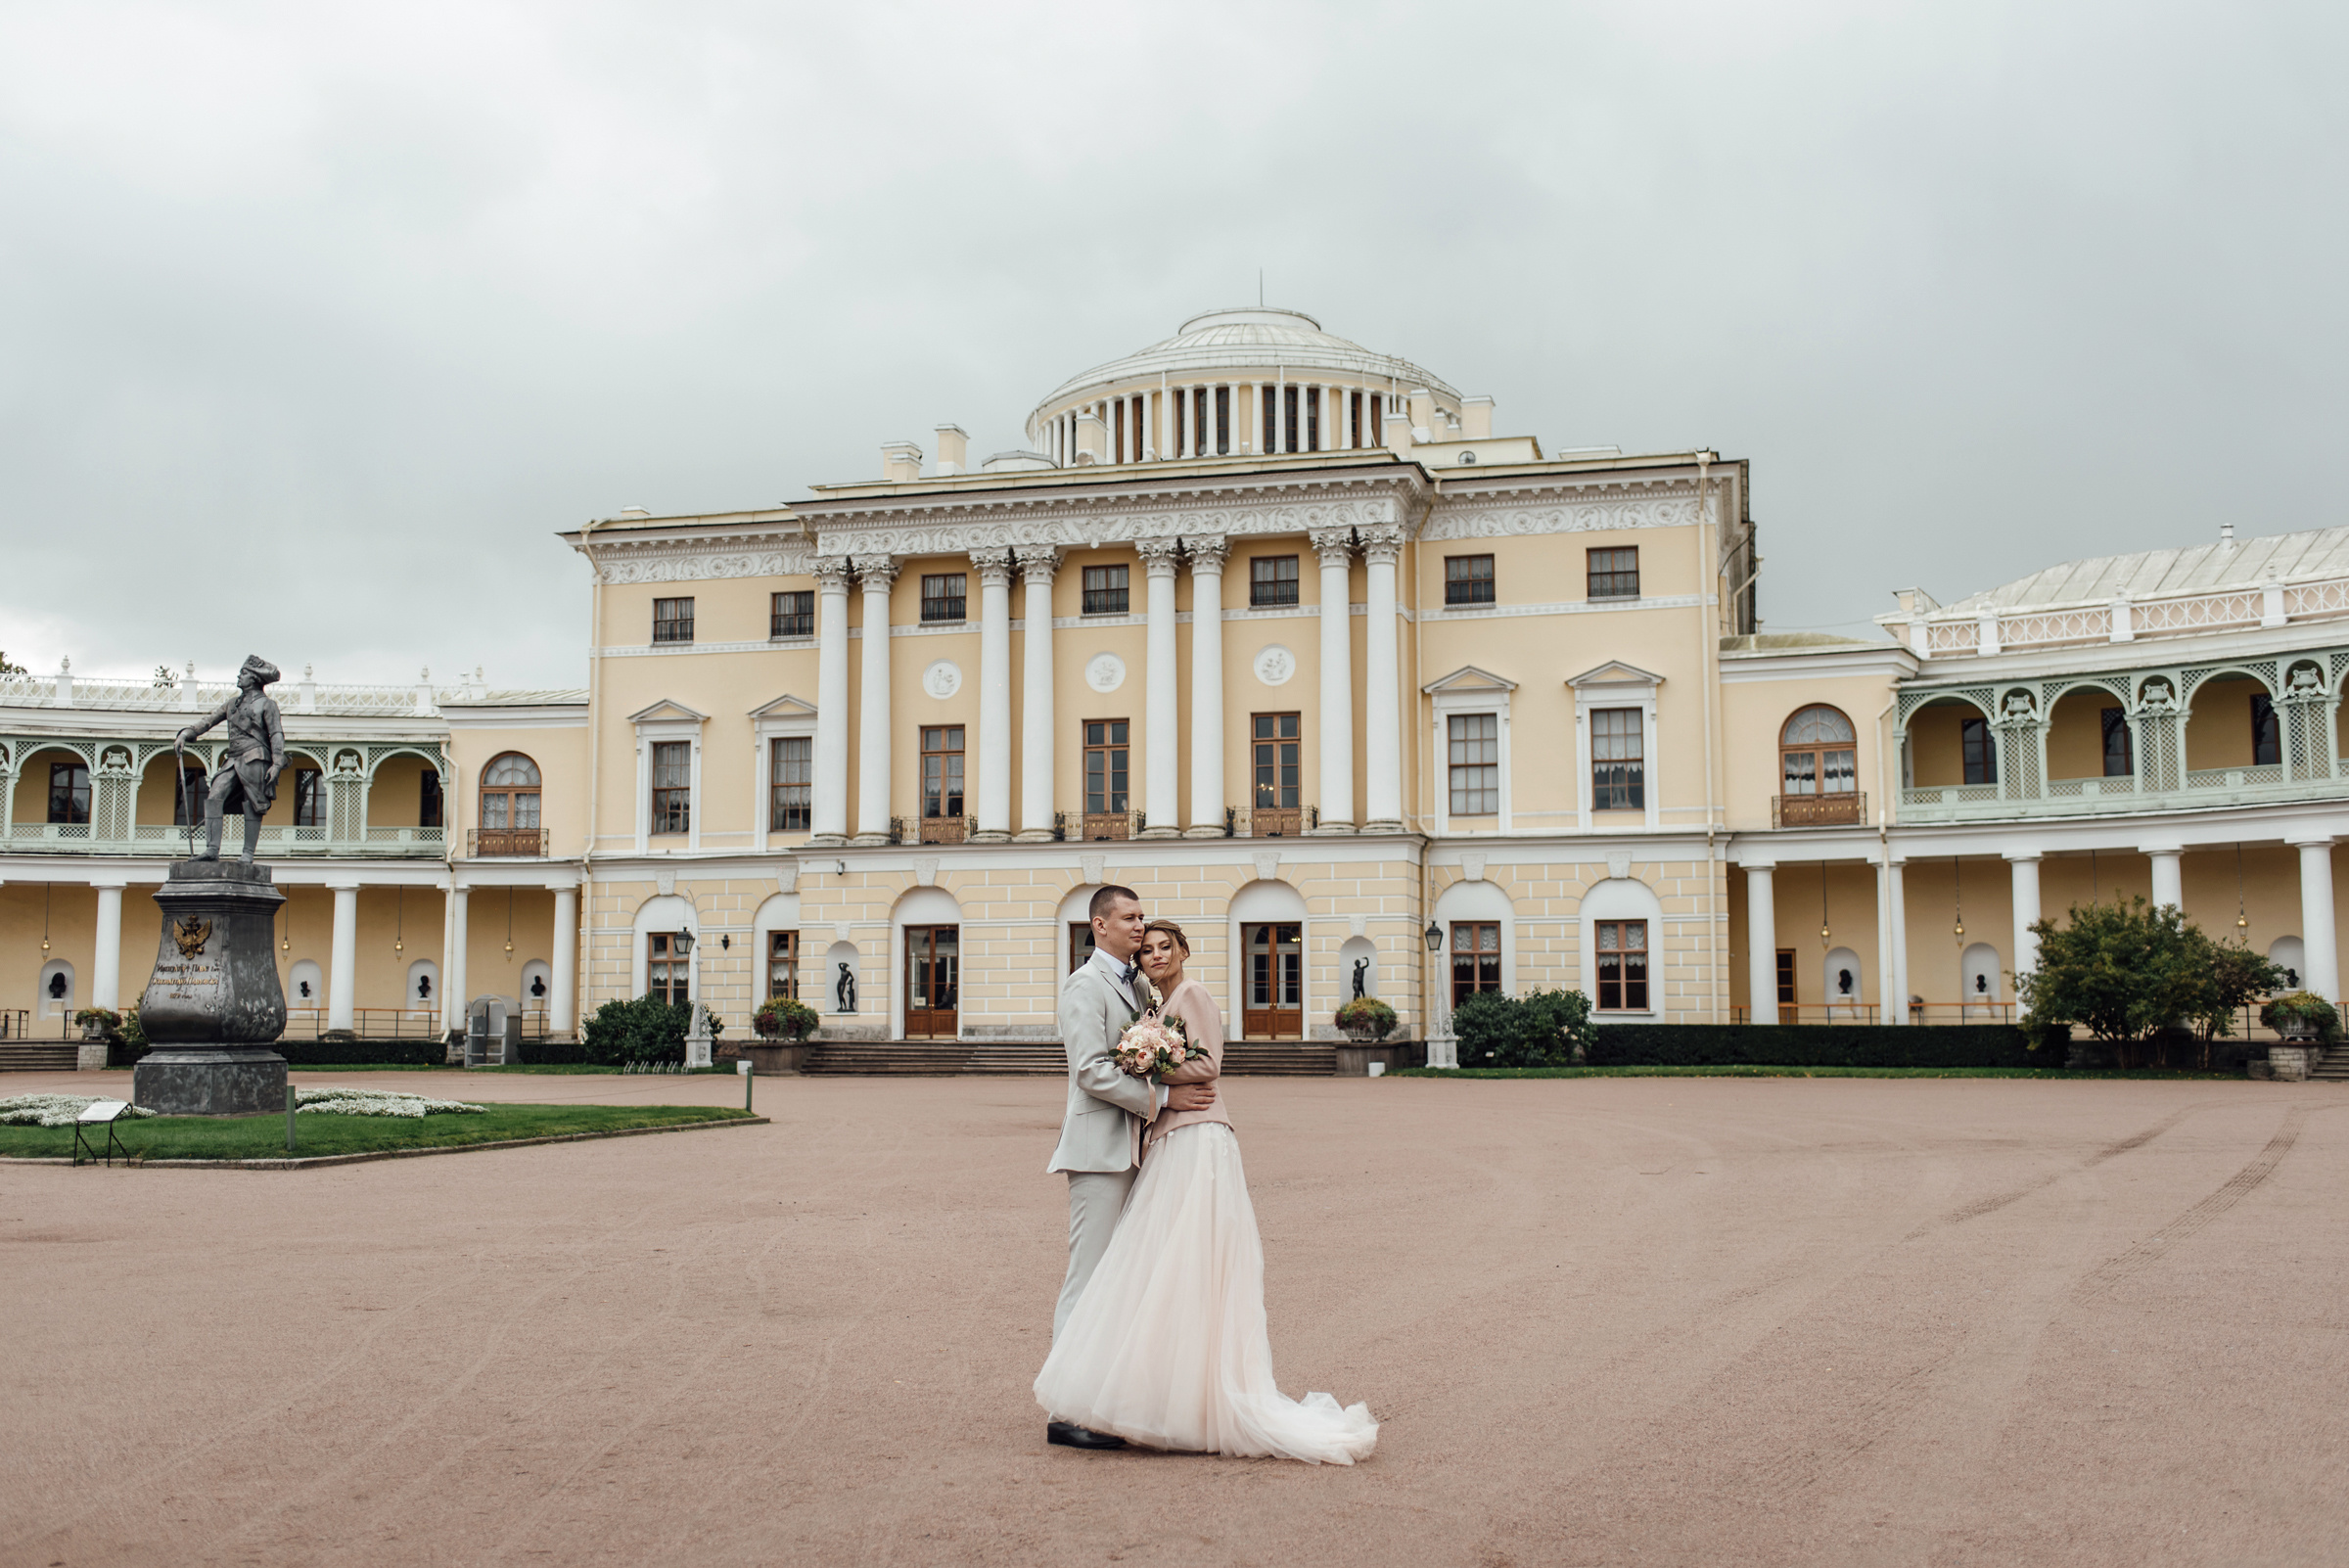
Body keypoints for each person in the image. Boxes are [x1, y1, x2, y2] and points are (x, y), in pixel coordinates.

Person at [1035, 918, 1379, 1464]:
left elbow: (1209, 1063)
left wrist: (1151, 1072)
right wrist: (1152, 1079)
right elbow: (1094, 1069)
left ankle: (1131, 1399)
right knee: (1141, 1270)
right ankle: (1086, 1402)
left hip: (1193, 1138)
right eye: (1143, 944)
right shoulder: (1129, 993)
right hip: (1156, 1139)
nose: (1151, 952)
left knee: (1169, 1266)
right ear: (1106, 930)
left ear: (1183, 951)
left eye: (1161, 945)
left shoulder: (1188, 993)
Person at [1042, 886, 1218, 1451]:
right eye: (1130, 918)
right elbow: (1090, 1071)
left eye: (1143, 917)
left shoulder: (1139, 985)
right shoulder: (1084, 985)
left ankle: (1104, 1395)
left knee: (1120, 1279)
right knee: (1089, 1276)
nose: (1140, 927)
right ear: (1100, 925)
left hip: (1132, 1147)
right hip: (1098, 1152)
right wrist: (1164, 1101)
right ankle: (1066, 1409)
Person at [175, 655, 286, 865]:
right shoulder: (231, 704)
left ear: (253, 678)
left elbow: (276, 734)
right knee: (215, 794)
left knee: (253, 803)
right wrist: (186, 733)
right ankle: (212, 849)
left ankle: (247, 854)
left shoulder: (267, 705)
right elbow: (208, 721)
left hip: (255, 758)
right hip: (233, 758)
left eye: (243, 673)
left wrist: (277, 763)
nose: (239, 676)